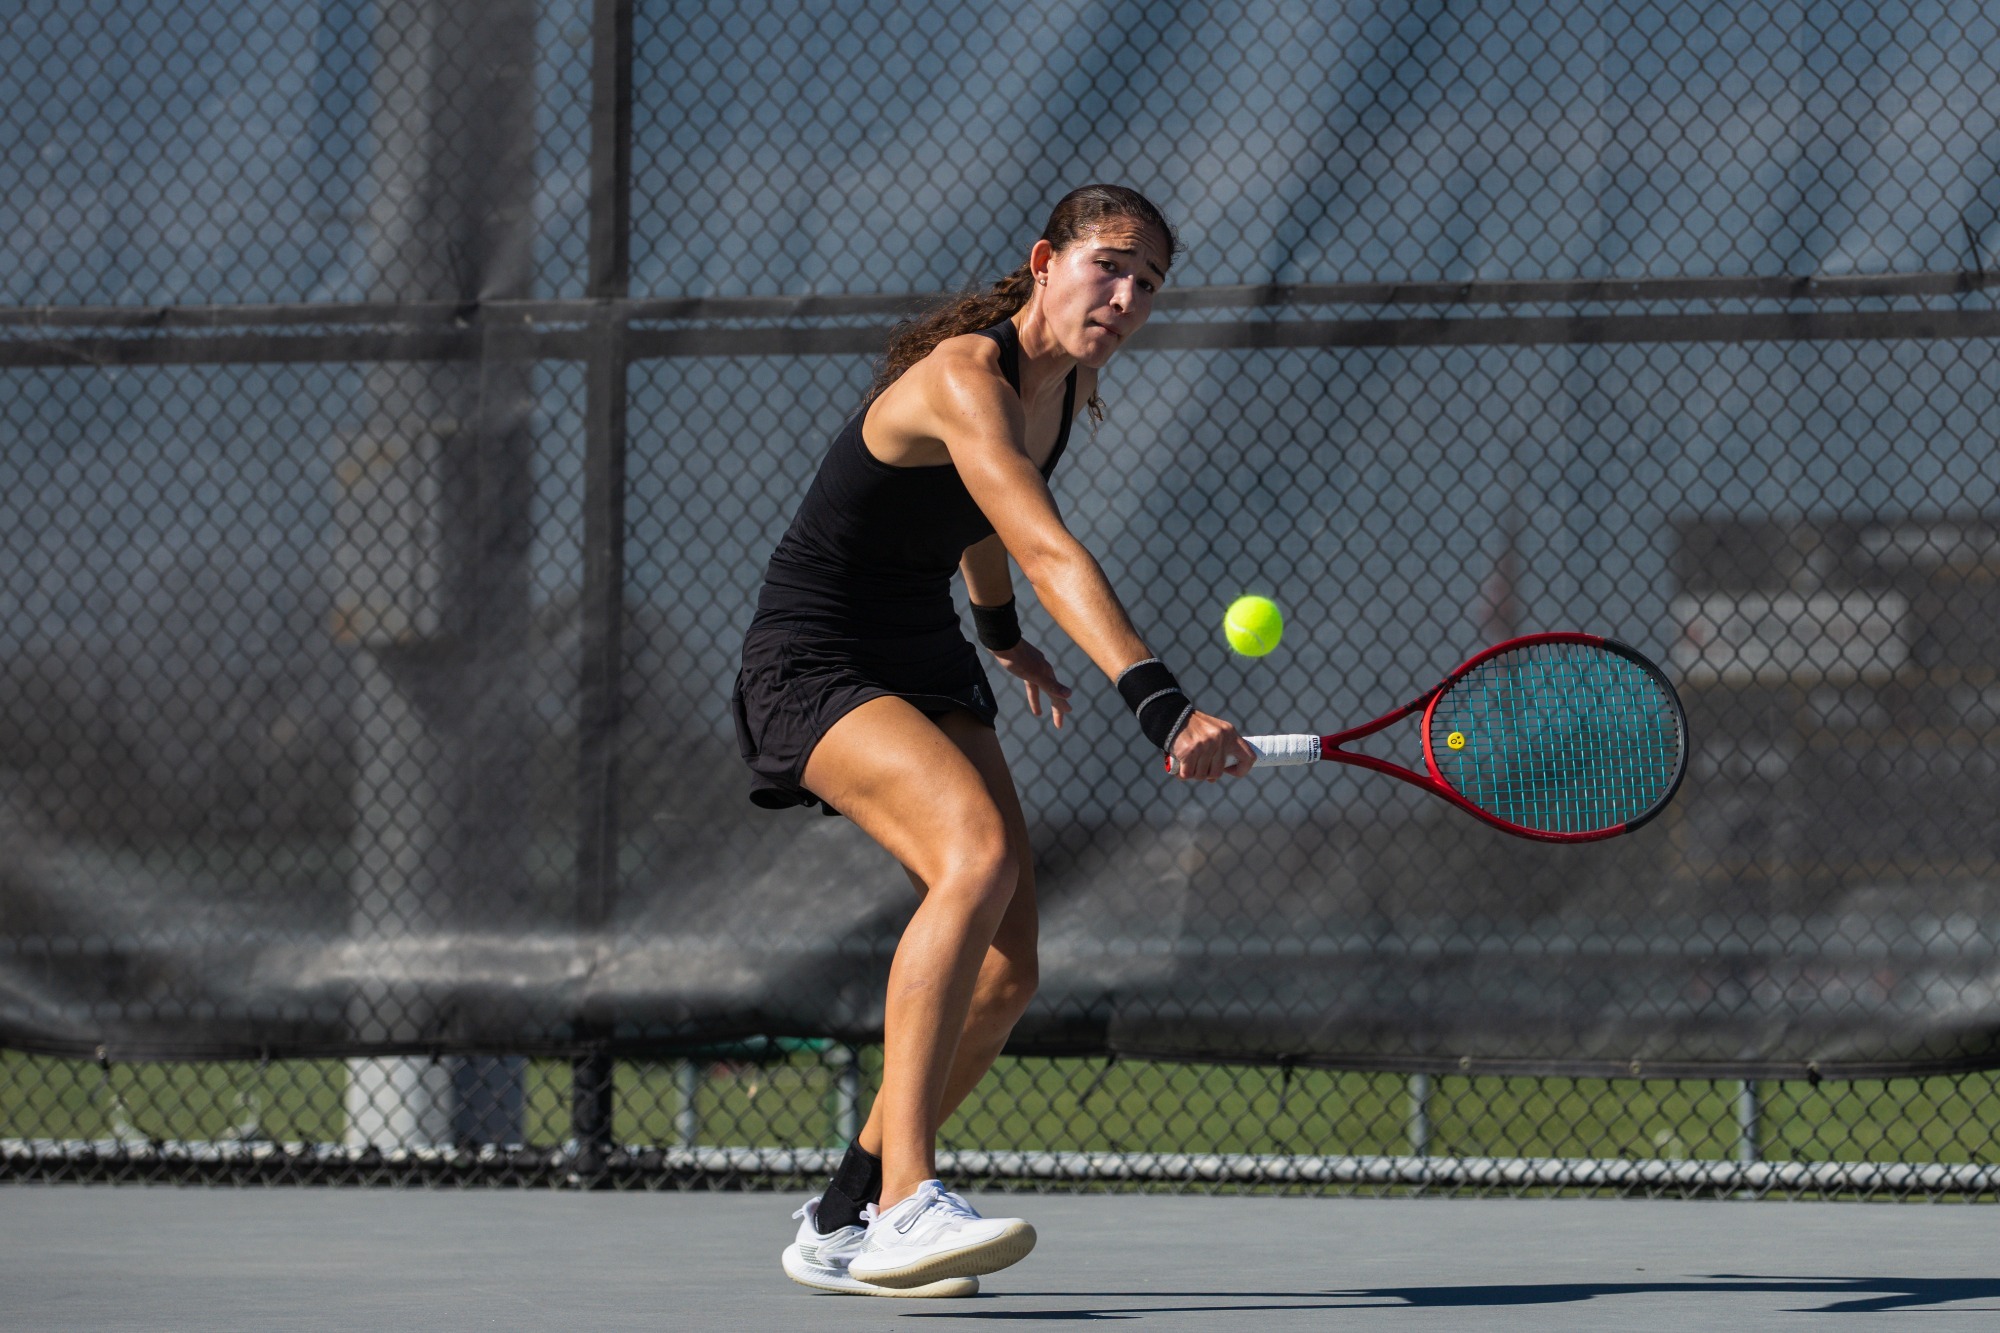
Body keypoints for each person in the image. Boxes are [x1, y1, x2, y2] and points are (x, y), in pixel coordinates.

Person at [731, 184, 1254, 1298]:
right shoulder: (968, 377)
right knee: (970, 855)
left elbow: (975, 524)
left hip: (924, 651)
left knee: (1009, 967)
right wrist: (1161, 704)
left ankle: (837, 1217)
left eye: (1148, 283)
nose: (1125, 295)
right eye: (1108, 265)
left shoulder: (1059, 393)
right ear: (1043, 261)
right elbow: (1039, 538)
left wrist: (1001, 636)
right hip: (816, 655)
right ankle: (906, 1203)